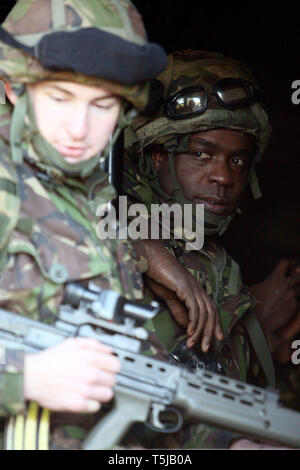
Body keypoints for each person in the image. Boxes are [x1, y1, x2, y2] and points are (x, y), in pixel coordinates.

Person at [0, 0, 169, 450]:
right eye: (59, 98)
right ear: (15, 88)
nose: (79, 128)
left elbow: (140, 366)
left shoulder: (95, 197)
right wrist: (22, 377)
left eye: (102, 105)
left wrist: (224, 442)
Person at [123, 49, 300, 449]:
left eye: (238, 160)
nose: (223, 176)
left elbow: (215, 387)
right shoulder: (115, 238)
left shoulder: (214, 259)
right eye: (201, 154)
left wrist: (265, 334)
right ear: (157, 156)